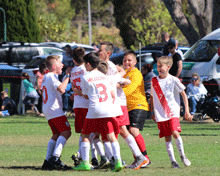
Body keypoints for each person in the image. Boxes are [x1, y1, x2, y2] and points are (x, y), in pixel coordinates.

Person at [73, 52, 123, 172]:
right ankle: (118, 161)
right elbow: (111, 93)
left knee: (85, 135)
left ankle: (85, 162)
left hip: (95, 109)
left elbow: (85, 95)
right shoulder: (105, 76)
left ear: (89, 64)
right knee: (111, 136)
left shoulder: (85, 77)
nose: (84, 66)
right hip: (108, 109)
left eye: (85, 64)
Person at [150, 56, 193, 168]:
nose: (158, 68)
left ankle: (183, 156)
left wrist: (187, 111)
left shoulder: (173, 79)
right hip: (160, 114)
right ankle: (173, 161)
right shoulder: (154, 81)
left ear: (168, 67)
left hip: (172, 111)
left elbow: (183, 94)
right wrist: (152, 112)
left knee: (175, 132)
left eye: (160, 66)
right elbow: (152, 97)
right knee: (167, 136)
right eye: (157, 66)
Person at [41, 55, 72, 170]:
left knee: (56, 134)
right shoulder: (51, 76)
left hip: (48, 108)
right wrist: (68, 76)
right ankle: (55, 158)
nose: (62, 65)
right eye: (60, 63)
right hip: (54, 109)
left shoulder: (47, 76)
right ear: (54, 66)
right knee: (66, 132)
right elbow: (62, 89)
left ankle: (48, 160)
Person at [70, 47, 99, 167]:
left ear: (73, 60)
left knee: (84, 132)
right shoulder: (86, 69)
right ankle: (90, 157)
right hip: (87, 103)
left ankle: (84, 156)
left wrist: (76, 92)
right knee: (89, 132)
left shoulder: (73, 71)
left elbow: (73, 86)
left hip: (78, 104)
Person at [122, 50, 151, 167]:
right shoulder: (124, 73)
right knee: (127, 132)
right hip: (128, 107)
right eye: (125, 60)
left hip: (138, 105)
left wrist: (114, 93)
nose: (127, 62)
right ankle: (138, 158)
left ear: (135, 62)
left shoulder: (136, 74)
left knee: (133, 130)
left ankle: (145, 157)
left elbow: (129, 91)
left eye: (129, 60)